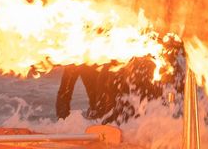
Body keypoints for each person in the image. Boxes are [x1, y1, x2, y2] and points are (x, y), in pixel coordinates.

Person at [55, 42, 183, 124]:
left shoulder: (117, 49)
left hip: (122, 114)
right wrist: (63, 125)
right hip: (99, 117)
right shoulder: (76, 56)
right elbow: (64, 94)